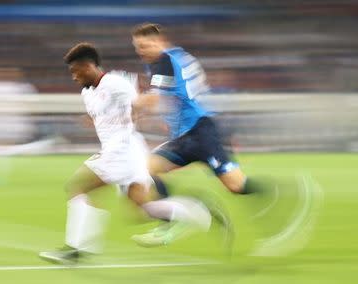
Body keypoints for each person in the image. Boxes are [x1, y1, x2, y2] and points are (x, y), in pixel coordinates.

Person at [129, 23, 319, 252]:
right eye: (137, 47)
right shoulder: (177, 57)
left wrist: (128, 104)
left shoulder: (163, 61)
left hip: (200, 134)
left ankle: (288, 191)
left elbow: (154, 100)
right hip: (188, 135)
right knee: (147, 168)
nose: (141, 51)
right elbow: (176, 95)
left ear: (159, 42)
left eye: (145, 45)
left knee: (237, 186)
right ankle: (169, 222)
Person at [39, 42, 233, 264]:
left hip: (121, 150)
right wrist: (96, 120)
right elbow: (104, 114)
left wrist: (139, 112)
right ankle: (199, 211)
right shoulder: (87, 93)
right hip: (127, 152)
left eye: (75, 71)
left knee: (78, 187)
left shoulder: (114, 82)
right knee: (143, 209)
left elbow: (142, 100)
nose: (73, 77)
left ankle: (76, 249)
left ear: (88, 66)